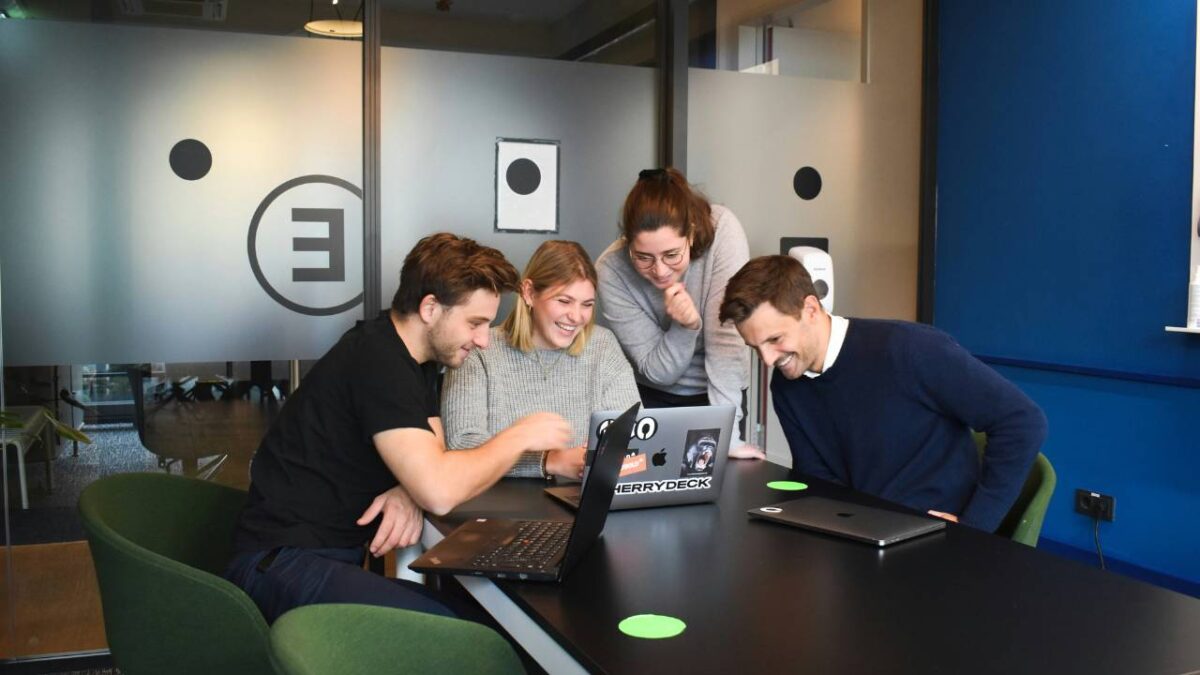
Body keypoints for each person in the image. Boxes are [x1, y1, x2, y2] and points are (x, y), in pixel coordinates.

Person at [224, 233, 573, 623]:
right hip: (280, 565)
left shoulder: (414, 359)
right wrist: (520, 436)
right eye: (475, 323)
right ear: (429, 308)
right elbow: (440, 492)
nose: (483, 340)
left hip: (318, 559)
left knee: (483, 619)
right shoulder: (378, 360)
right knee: (470, 632)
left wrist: (410, 487)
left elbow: (434, 452)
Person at [718, 255, 1047, 531]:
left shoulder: (908, 349)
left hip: (939, 538)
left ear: (811, 310)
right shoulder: (787, 387)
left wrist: (974, 528)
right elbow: (820, 484)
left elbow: (1022, 422)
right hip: (866, 536)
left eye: (774, 339)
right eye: (754, 347)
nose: (768, 359)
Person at [595, 168, 763, 459]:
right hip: (651, 397)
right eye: (643, 257)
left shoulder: (723, 230)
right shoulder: (611, 271)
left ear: (693, 232)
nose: (659, 270)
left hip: (722, 395)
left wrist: (728, 438)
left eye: (672, 255)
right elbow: (658, 371)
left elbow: (727, 342)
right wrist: (686, 326)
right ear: (627, 242)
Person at [442, 240, 640, 480]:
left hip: (579, 499)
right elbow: (461, 445)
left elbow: (636, 435)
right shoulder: (479, 349)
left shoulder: (602, 346)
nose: (576, 317)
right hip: (496, 503)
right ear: (529, 293)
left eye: (587, 304)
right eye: (564, 301)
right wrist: (549, 461)